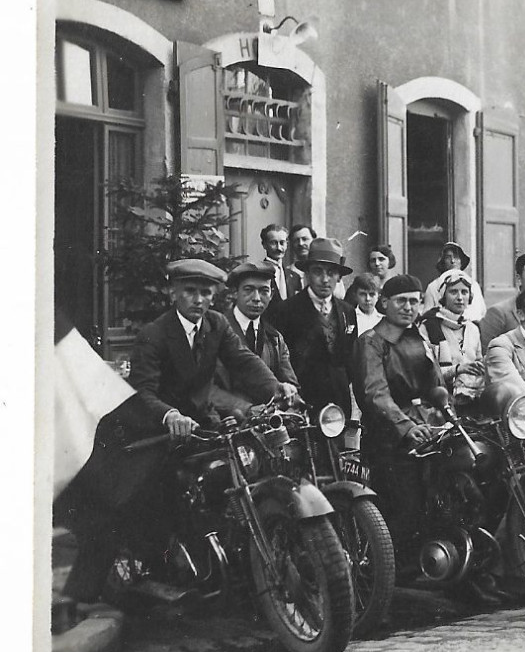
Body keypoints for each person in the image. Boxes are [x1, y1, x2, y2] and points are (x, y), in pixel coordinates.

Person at [62, 260, 292, 603]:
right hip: (153, 429)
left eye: (205, 292)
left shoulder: (216, 326)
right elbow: (143, 391)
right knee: (150, 499)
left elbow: (244, 361)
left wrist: (278, 388)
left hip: (202, 422)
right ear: (173, 293)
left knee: (235, 471)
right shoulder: (154, 334)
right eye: (190, 291)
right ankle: (156, 566)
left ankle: (227, 554)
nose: (198, 300)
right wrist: (170, 414)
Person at [353, 275, 442, 543]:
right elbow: (375, 393)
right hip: (389, 437)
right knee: (406, 506)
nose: (408, 307)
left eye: (414, 301)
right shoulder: (371, 341)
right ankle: (397, 568)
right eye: (401, 301)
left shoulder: (419, 337)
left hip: (427, 429)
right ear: (384, 303)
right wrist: (406, 427)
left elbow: (435, 385)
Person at [268, 236, 358, 418]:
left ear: (339, 277)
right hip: (303, 401)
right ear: (307, 273)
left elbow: (349, 358)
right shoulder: (287, 310)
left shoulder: (347, 311)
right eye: (318, 272)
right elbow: (278, 361)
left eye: (331, 273)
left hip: (339, 402)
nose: (325, 279)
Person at [217, 260, 296, 390]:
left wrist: (289, 393)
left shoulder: (275, 339)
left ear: (272, 295)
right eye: (249, 290)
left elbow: (290, 383)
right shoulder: (217, 330)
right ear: (235, 292)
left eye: (264, 291)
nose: (257, 298)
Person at [417, 269, 485, 391]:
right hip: (441, 396)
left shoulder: (473, 329)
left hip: (474, 395)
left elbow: (478, 361)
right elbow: (424, 374)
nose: (460, 297)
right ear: (443, 296)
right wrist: (457, 369)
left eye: (464, 292)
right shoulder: (428, 327)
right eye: (453, 292)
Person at [422, 242, 487, 322]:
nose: (452, 261)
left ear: (461, 260)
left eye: (456, 257)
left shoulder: (473, 285)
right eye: (448, 257)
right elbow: (427, 315)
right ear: (442, 261)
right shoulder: (433, 286)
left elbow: (479, 313)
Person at [259, 224, 301, 302]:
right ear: (264, 245)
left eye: (282, 243)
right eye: (273, 243)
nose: (279, 248)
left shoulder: (294, 277)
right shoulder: (258, 273)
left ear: (287, 244)